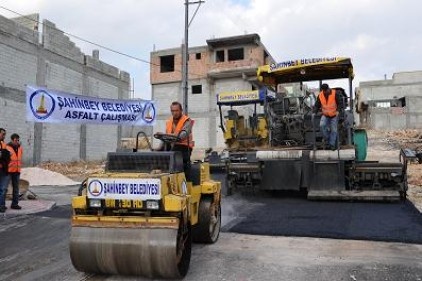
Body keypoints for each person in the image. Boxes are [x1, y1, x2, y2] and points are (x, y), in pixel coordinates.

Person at [156, 101, 194, 180]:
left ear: (181, 110)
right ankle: (159, 176)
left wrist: (164, 135)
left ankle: (182, 180)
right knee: (157, 154)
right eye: (173, 111)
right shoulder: (169, 122)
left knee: (174, 152)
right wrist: (158, 148)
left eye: (176, 110)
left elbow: (181, 136)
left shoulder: (187, 121)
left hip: (184, 147)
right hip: (172, 146)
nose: (175, 113)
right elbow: (164, 138)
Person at [313, 84, 343, 150]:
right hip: (325, 115)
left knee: (334, 130)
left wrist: (338, 110)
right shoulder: (320, 95)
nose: (325, 92)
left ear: (328, 88)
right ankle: (329, 139)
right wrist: (314, 112)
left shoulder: (335, 93)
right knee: (321, 125)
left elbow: (340, 103)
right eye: (324, 91)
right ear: (322, 90)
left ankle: (332, 145)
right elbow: (317, 104)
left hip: (334, 115)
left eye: (326, 90)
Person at [6, 133, 23, 210]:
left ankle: (15, 204)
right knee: (4, 188)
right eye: (16, 140)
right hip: (8, 171)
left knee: (16, 189)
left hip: (17, 171)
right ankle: (2, 205)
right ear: (12, 140)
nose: (17, 141)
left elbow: (19, 159)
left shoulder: (20, 148)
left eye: (18, 140)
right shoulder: (7, 147)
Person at [0, 128, 11, 213]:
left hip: (4, 169)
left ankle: (2, 205)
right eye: (3, 134)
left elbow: (6, 156)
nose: (4, 136)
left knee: (3, 189)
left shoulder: (3, 144)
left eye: (5, 134)